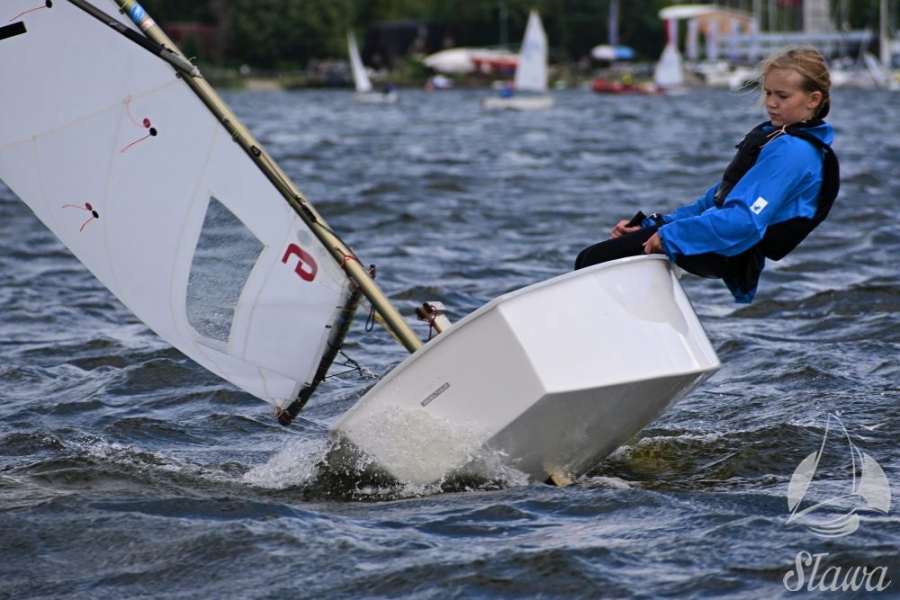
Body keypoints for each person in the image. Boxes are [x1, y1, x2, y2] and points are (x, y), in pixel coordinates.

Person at [574, 47, 840, 303]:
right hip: (720, 237)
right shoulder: (778, 139)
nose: (771, 103)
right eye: (768, 92)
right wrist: (651, 226)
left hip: (732, 249)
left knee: (594, 260)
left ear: (813, 99)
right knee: (594, 257)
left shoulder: (794, 152)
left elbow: (745, 221)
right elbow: (715, 200)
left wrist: (670, 236)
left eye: (782, 96)